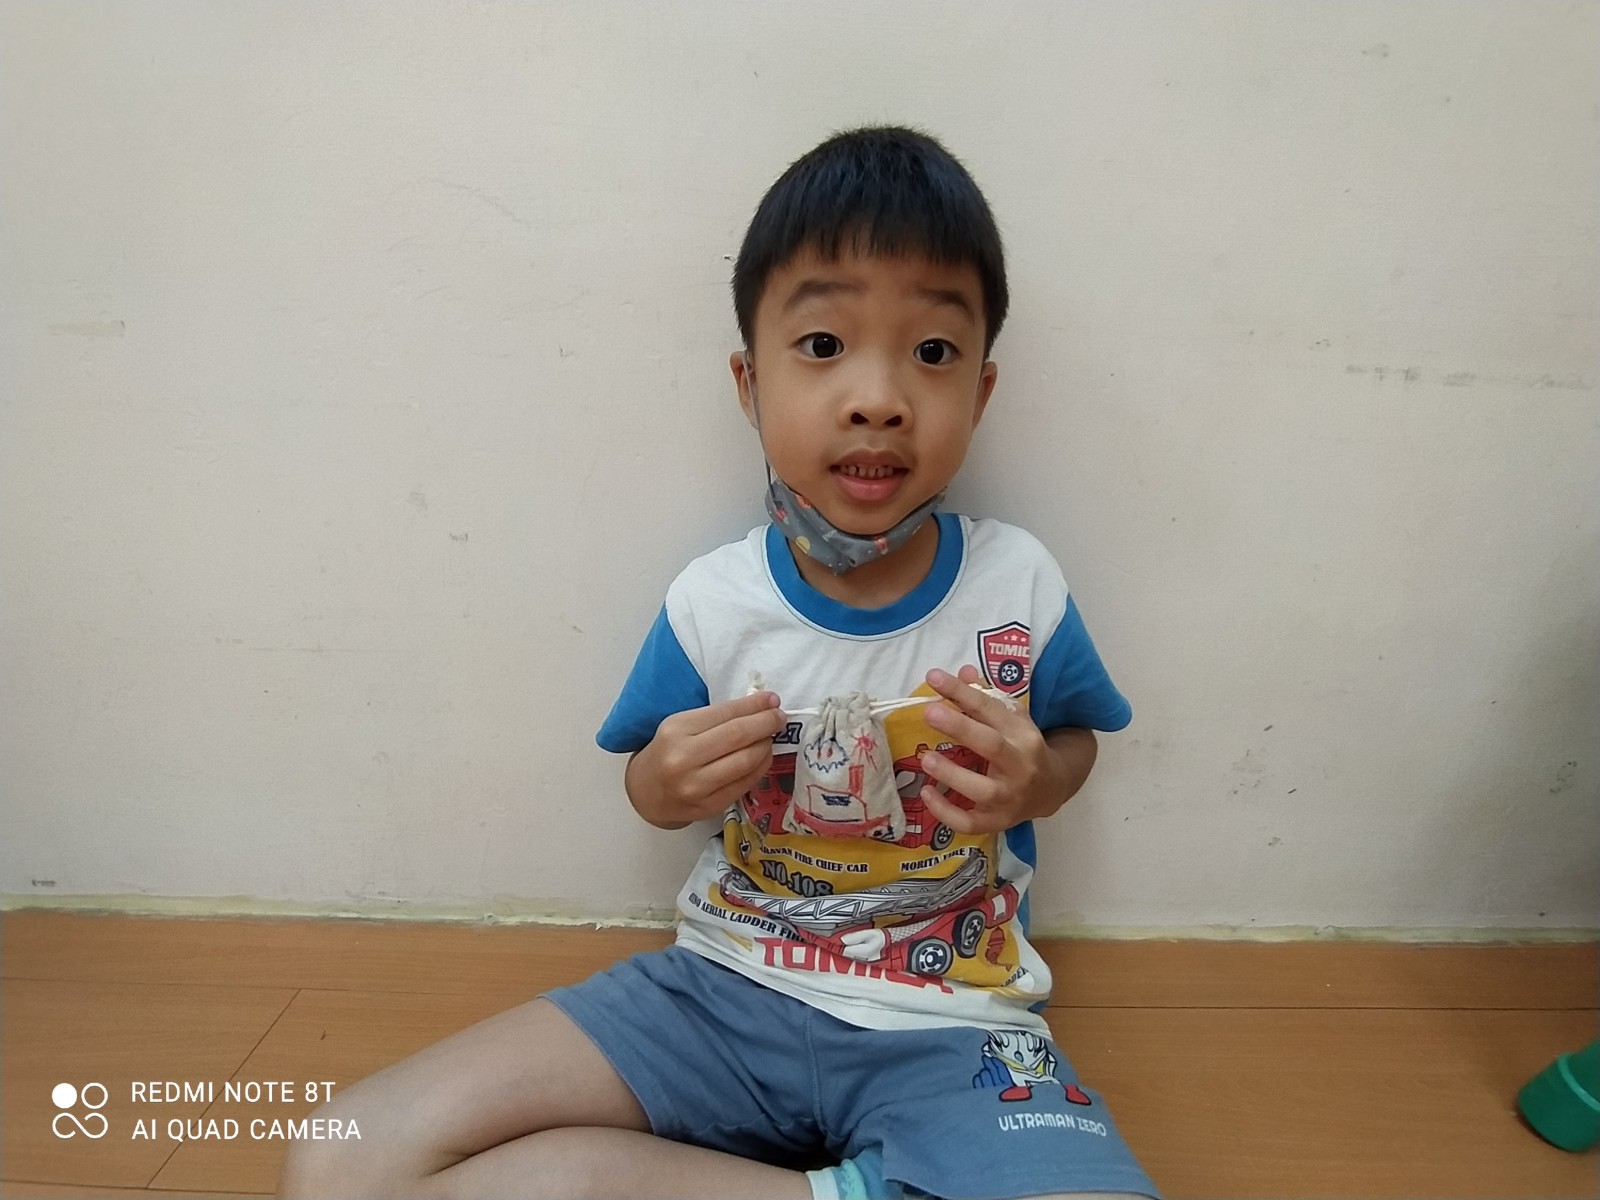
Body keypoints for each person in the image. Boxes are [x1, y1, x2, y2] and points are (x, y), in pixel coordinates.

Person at [278, 125, 1161, 1200]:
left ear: (978, 393)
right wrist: (665, 781)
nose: (878, 397)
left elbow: (1073, 740)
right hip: (722, 995)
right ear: (749, 383)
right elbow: (645, 784)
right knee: (342, 1152)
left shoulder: (1018, 587)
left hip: (952, 1022)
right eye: (824, 343)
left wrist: (1038, 779)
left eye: (931, 353)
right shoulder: (714, 603)